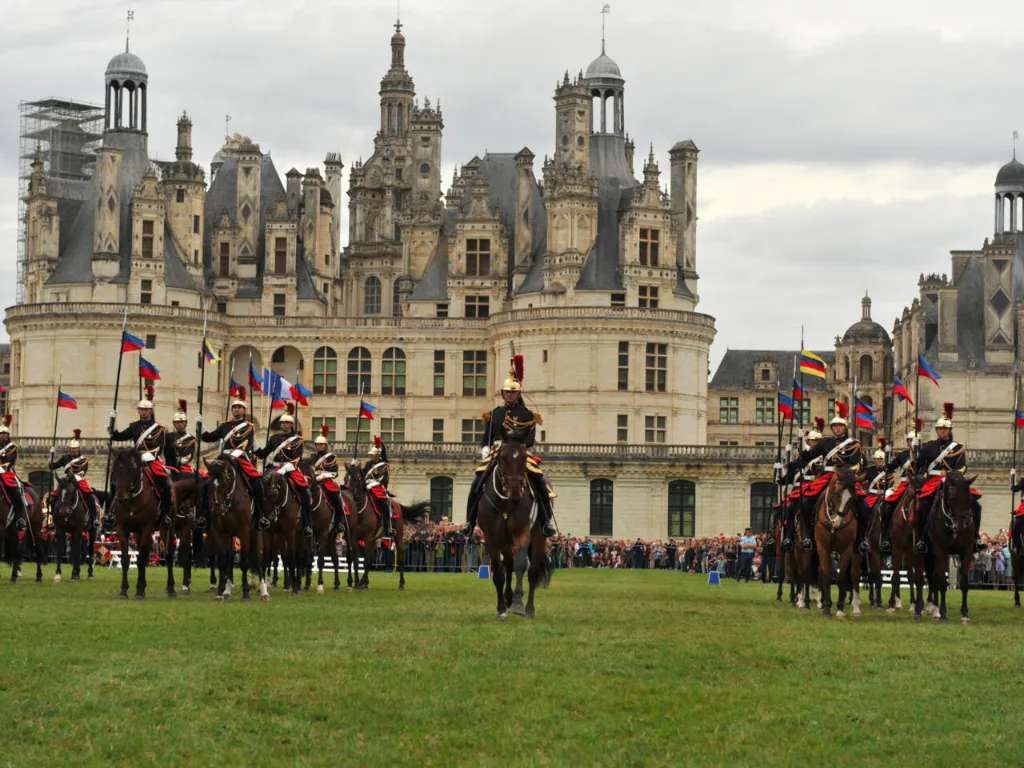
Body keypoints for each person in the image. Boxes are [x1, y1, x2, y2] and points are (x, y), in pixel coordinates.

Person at [462, 355, 557, 537]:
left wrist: (519, 445)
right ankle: (470, 521)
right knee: (477, 482)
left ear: (518, 394)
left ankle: (546, 521)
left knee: (540, 481)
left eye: (513, 392)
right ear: (503, 393)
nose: (510, 395)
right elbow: (486, 439)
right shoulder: (494, 414)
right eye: (507, 392)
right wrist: (485, 449)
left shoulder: (527, 414)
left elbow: (530, 440)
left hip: (520, 453)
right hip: (498, 452)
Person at [779, 402, 866, 551]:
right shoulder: (825, 442)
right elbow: (808, 457)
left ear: (844, 428)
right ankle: (806, 536)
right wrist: (791, 465)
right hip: (826, 477)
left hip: (845, 478)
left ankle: (861, 540)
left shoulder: (854, 444)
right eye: (835, 426)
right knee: (804, 502)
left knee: (865, 507)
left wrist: (845, 472)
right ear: (832, 428)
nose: (838, 429)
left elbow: (857, 464)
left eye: (840, 426)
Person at [912, 402, 983, 553]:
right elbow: (919, 466)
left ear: (949, 430)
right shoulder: (928, 447)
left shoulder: (957, 448)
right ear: (937, 431)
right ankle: (921, 539)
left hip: (953, 482)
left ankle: (975, 538)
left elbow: (963, 467)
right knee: (922, 507)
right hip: (932, 482)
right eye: (940, 429)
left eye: (945, 429)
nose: (943, 431)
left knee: (976, 505)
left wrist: (953, 476)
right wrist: (917, 457)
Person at [197, 387, 267, 529]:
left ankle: (260, 515)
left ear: (244, 410)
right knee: (206, 483)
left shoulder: (249, 427)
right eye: (234, 407)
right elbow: (209, 438)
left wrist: (262, 452)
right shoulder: (224, 426)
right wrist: (200, 426)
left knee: (258, 484)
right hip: (225, 458)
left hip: (241, 459)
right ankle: (203, 514)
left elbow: (254, 447)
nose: (236, 410)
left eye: (239, 408)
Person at [109, 386, 177, 528]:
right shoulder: (134, 427)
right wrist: (112, 425)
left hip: (151, 461)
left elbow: (160, 446)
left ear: (150, 411)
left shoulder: (159, 428)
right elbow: (119, 436)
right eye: (141, 409)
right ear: (138, 411)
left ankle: (164, 514)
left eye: (146, 410)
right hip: (135, 462)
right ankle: (111, 511)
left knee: (165, 483)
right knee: (117, 478)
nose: (144, 412)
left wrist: (149, 455)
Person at [255, 403, 313, 538]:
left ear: (291, 424)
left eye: (287, 423)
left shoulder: (298, 440)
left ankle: (307, 524)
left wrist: (284, 469)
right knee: (259, 486)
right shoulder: (274, 439)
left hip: (290, 468)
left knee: (305, 493)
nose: (285, 425)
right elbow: (263, 454)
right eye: (283, 423)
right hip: (274, 467)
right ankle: (260, 516)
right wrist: (254, 444)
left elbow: (297, 459)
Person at [778, 420, 824, 551]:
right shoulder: (798, 461)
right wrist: (780, 469)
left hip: (818, 488)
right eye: (812, 441)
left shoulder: (823, 458)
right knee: (791, 509)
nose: (815, 444)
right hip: (800, 490)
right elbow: (786, 478)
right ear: (808, 443)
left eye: (817, 442)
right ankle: (788, 537)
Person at [49, 428, 101, 532]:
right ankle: (52, 518)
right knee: (53, 496)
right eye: (72, 449)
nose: (73, 451)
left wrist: (77, 476)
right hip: (66, 480)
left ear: (78, 449)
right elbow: (52, 466)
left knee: (90, 496)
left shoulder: (83, 459)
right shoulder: (65, 458)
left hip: (78, 479)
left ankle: (94, 518)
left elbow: (83, 471)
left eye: (75, 449)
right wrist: (51, 455)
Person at [312, 424, 348, 537]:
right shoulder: (312, 457)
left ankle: (339, 522)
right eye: (317, 445)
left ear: (325, 446)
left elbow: (334, 473)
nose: (319, 447)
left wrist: (321, 475)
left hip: (326, 482)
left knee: (337, 498)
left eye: (321, 445)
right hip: (314, 482)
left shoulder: (331, 457)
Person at [0, 414, 29, 531]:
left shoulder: (12, 447)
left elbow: (11, 461)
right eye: (1, 435)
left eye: (4, 435)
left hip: (7, 472)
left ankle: (20, 518)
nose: (2, 437)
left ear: (8, 436)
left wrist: (4, 465)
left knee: (16, 492)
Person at [363, 436, 393, 537]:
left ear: (377, 455)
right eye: (370, 455)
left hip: (379, 488)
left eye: (372, 455)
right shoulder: (368, 464)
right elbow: (363, 475)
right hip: (367, 486)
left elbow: (384, 479)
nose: (370, 457)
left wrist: (374, 483)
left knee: (383, 502)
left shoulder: (382, 465)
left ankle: (388, 524)